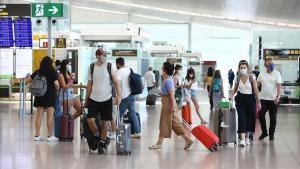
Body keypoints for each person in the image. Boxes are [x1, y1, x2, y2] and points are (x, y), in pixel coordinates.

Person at [85, 48, 121, 154]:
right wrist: (86, 98)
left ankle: (102, 141)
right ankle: (97, 135)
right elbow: (89, 84)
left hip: (106, 98)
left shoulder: (110, 66)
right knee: (90, 120)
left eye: (106, 55)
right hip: (93, 98)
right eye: (103, 55)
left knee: (105, 121)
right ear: (97, 56)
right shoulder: (92, 67)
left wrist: (119, 96)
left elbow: (117, 82)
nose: (105, 57)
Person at [149, 62, 193, 150]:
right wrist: (160, 92)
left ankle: (159, 144)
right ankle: (187, 140)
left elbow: (172, 94)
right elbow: (167, 93)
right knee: (175, 124)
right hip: (168, 103)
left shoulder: (168, 81)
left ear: (165, 70)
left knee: (164, 123)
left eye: (162, 68)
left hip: (168, 104)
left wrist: (173, 107)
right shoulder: (168, 80)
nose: (161, 69)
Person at [26, 56, 60, 142]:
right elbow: (56, 84)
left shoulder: (38, 71)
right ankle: (49, 136)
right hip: (50, 96)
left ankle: (37, 135)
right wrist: (57, 90)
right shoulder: (53, 72)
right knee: (50, 116)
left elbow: (29, 80)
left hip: (39, 95)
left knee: (39, 116)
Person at [229, 60, 260, 147]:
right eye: (241, 68)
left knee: (250, 118)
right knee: (242, 118)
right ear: (239, 68)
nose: (242, 69)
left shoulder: (252, 77)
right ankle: (242, 139)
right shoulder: (237, 78)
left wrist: (259, 101)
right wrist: (231, 96)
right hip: (240, 99)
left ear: (247, 68)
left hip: (250, 99)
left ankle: (247, 138)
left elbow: (256, 89)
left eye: (244, 68)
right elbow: (235, 89)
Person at [116, 57, 141, 138]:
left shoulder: (118, 72)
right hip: (132, 95)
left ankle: (117, 131)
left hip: (123, 97)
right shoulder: (130, 70)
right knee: (133, 114)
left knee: (119, 115)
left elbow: (117, 85)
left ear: (118, 64)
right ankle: (137, 132)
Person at [257, 58, 282, 141]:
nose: (271, 65)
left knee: (273, 118)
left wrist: (278, 96)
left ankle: (271, 134)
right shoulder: (261, 73)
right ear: (265, 65)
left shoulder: (277, 73)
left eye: (272, 64)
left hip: (273, 99)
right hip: (263, 99)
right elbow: (257, 84)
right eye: (269, 64)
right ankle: (264, 133)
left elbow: (279, 86)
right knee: (261, 115)